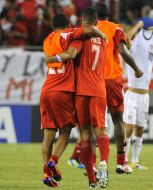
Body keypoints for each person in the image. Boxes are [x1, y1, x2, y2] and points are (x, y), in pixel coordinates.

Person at [45, 8, 110, 188]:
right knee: (101, 131)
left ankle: (91, 179)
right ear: (96, 22)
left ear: (82, 21)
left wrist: (53, 58)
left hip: (81, 92)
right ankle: (104, 161)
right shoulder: (104, 41)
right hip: (99, 89)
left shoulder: (80, 39)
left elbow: (71, 54)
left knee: (85, 136)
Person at [95, 2, 143, 174]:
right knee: (117, 121)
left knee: (96, 124)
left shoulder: (88, 29)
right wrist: (136, 69)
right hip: (112, 80)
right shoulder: (116, 28)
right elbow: (122, 51)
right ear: (108, 13)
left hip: (93, 81)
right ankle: (121, 163)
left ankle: (95, 164)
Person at [124, 21, 153, 169]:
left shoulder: (152, 52)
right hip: (131, 94)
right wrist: (138, 25)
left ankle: (135, 161)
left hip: (144, 96)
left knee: (140, 129)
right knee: (129, 128)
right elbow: (126, 38)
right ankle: (123, 161)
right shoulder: (133, 49)